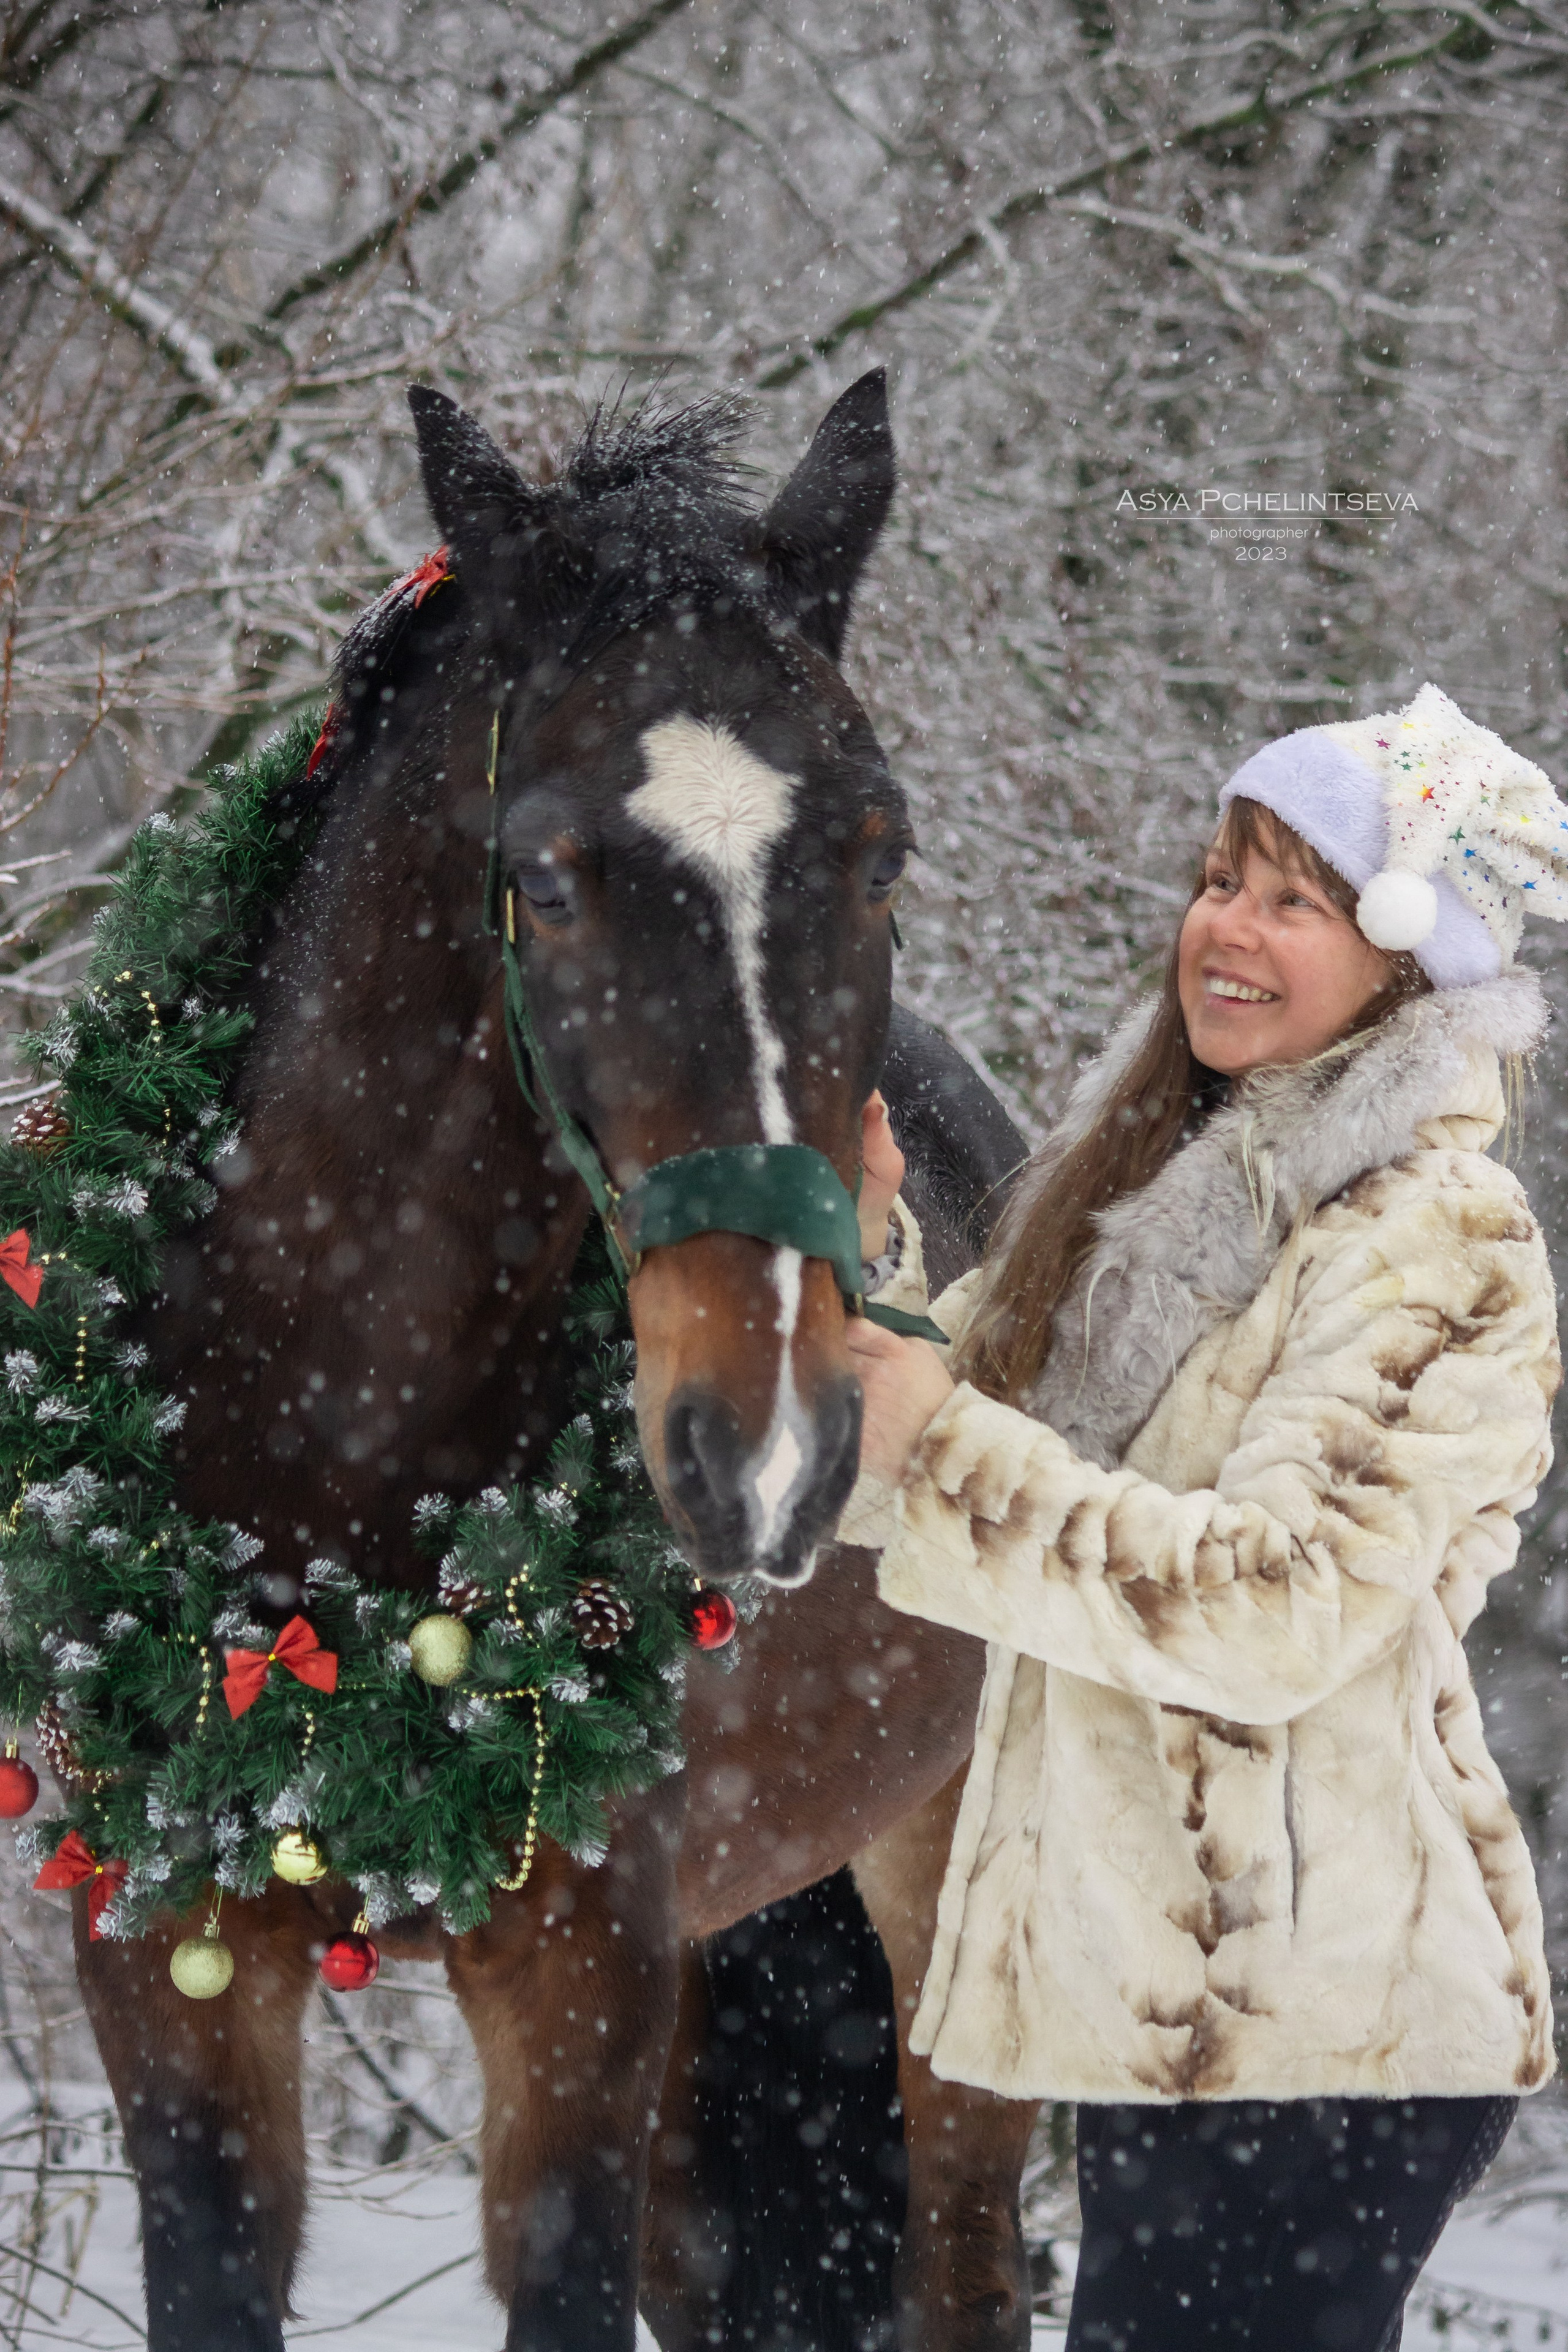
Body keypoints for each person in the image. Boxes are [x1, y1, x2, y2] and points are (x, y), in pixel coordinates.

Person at [845, 682, 1568, 2351]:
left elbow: (1271, 1605)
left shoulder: (1437, 1234)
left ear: (1406, 960)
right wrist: (861, 1259)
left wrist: (940, 1442)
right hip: (1187, 2011)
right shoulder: (1167, 1206)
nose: (1227, 928)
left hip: (1326, 2023)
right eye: (1221, 877)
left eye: (1295, 898)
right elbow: (924, 1446)